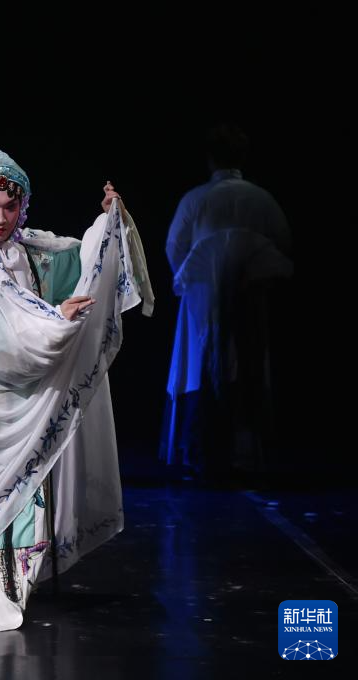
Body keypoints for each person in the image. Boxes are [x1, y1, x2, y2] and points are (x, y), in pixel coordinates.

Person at [0, 149, 152, 630]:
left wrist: (110, 223)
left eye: (10, 207)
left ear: (23, 206)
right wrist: (54, 320)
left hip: (23, 405)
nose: (0, 218)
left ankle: (12, 584)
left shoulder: (33, 251)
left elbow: (86, 262)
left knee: (26, 492)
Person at [161, 123, 292, 482]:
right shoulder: (262, 199)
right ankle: (245, 452)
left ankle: (202, 451)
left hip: (203, 297)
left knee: (201, 365)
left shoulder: (197, 199)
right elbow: (282, 243)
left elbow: (175, 246)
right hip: (248, 293)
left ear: (210, 160)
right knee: (247, 362)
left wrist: (194, 279)